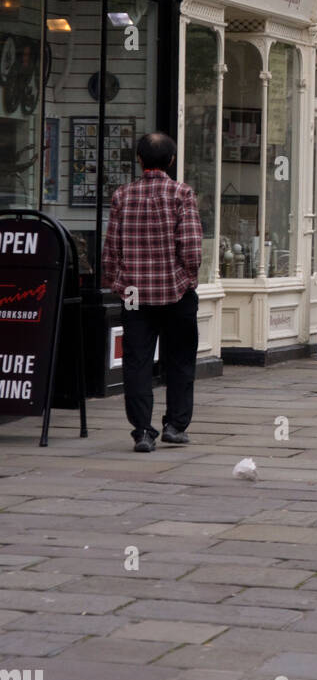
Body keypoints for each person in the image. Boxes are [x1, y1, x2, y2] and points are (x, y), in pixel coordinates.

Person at [102, 132, 202, 452]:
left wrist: (120, 284)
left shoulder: (121, 196)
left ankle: (143, 431)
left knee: (137, 362)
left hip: (133, 294)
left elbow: (110, 252)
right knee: (180, 360)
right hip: (176, 292)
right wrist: (188, 280)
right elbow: (191, 248)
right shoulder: (181, 194)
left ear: (140, 160)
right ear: (171, 160)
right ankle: (175, 425)